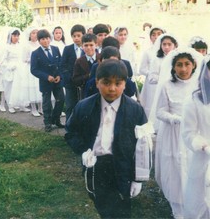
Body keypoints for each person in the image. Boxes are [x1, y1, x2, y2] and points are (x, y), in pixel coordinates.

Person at [65, 59, 147, 218]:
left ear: (125, 83)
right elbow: (71, 131)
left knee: (123, 208)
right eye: (106, 82)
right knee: (103, 206)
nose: (112, 88)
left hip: (123, 166)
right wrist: (83, 151)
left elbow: (143, 145)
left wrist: (139, 178)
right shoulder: (84, 106)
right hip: (97, 165)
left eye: (118, 83)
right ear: (97, 82)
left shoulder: (135, 110)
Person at [153, 48, 202, 219]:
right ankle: (178, 209)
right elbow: (159, 112)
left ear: (194, 65)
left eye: (187, 64)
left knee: (194, 169)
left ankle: (195, 205)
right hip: (174, 134)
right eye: (179, 65)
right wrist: (175, 119)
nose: (183, 69)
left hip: (195, 134)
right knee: (175, 170)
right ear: (173, 67)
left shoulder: (200, 85)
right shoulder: (167, 85)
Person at [181, 57, 210, 219]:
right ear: (205, 72)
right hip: (204, 158)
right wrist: (205, 146)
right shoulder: (194, 101)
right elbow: (188, 133)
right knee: (200, 203)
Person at [31, 29, 65, 132]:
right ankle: (48, 123)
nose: (45, 41)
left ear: (50, 38)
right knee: (47, 103)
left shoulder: (55, 49)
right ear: (39, 40)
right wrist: (46, 77)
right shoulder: (35, 53)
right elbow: (34, 70)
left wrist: (59, 75)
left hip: (57, 81)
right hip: (45, 82)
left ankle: (56, 119)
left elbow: (60, 63)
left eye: (47, 38)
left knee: (61, 100)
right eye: (42, 39)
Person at [148, 33, 178, 131]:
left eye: (169, 44)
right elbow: (151, 78)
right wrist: (163, 79)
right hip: (162, 89)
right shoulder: (157, 59)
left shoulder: (178, 58)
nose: (166, 47)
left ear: (175, 45)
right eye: (164, 44)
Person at [61, 24, 86, 122]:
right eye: (74, 36)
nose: (76, 38)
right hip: (70, 83)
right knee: (70, 105)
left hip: (83, 82)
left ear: (83, 35)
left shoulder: (87, 48)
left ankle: (80, 127)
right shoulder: (68, 49)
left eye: (78, 36)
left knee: (82, 104)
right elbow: (63, 65)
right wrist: (68, 78)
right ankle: (69, 128)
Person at [139, 27, 165, 117]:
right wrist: (153, 74)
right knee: (151, 103)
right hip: (152, 84)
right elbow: (142, 69)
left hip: (165, 82)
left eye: (159, 34)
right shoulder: (148, 52)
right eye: (153, 35)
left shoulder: (168, 51)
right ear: (150, 38)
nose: (156, 36)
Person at [22, 27, 42, 117]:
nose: (35, 35)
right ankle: (33, 108)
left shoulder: (40, 44)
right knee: (32, 88)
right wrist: (34, 59)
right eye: (33, 33)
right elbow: (24, 59)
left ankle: (41, 108)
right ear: (30, 35)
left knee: (40, 87)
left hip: (40, 68)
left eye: (36, 33)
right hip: (31, 68)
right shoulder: (27, 45)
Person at [72, 33, 99, 100]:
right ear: (82, 46)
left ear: (96, 45)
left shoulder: (101, 58)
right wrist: (88, 76)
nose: (88, 48)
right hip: (86, 93)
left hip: (100, 92)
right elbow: (75, 80)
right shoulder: (79, 61)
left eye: (91, 45)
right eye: (86, 45)